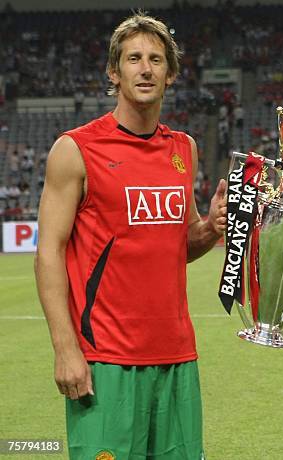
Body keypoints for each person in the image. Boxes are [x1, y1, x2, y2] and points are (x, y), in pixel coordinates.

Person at [34, 13, 227, 459]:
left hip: (177, 356)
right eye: (134, 58)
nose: (145, 68)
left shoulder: (184, 148)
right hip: (106, 362)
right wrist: (66, 349)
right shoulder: (76, 149)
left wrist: (212, 227)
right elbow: (48, 253)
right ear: (113, 72)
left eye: (156, 59)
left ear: (171, 73)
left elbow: (179, 244)